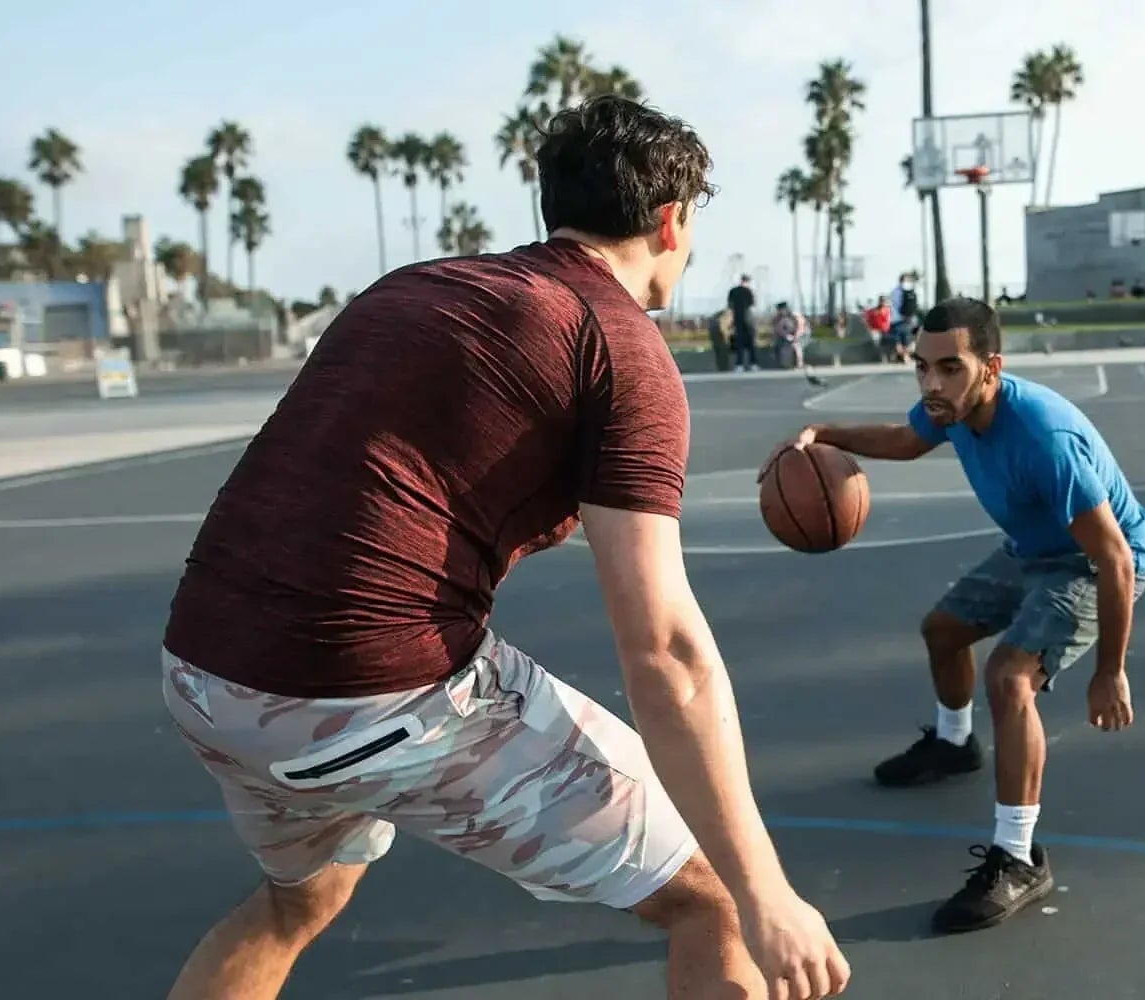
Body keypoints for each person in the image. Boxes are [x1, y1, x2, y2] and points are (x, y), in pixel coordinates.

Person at [159, 95, 849, 1000]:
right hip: (362, 693)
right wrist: (768, 895)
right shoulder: (618, 344)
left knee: (301, 900)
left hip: (203, 672)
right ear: (672, 221)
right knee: (714, 895)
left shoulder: (411, 288)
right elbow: (666, 653)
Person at [760, 297, 1145, 935]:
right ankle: (953, 744)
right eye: (922, 367)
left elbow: (1115, 558)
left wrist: (1110, 670)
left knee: (1010, 678)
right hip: (1033, 549)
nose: (931, 384)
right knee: (943, 630)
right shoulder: (953, 410)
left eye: (949, 368)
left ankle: (1019, 857)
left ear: (990, 368)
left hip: (1087, 563)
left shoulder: (1044, 440)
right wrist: (824, 433)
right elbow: (905, 440)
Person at [728, 274, 758, 371]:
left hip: (737, 319)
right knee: (751, 342)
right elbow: (752, 304)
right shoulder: (749, 291)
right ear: (748, 281)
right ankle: (753, 363)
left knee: (739, 343)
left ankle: (739, 364)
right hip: (748, 319)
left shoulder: (733, 291)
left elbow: (730, 305)